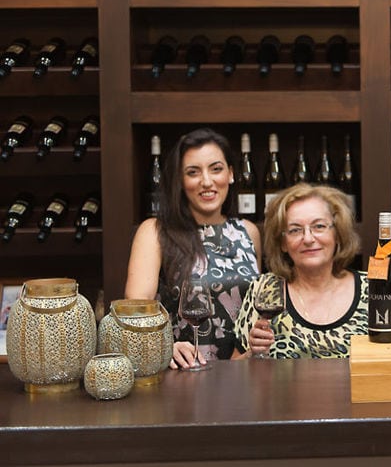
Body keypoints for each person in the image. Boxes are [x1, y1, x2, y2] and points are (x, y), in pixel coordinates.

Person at [125, 128, 261, 369]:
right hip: (184, 373)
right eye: (193, 172)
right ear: (180, 180)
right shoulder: (155, 231)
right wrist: (165, 346)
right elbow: (136, 308)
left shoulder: (248, 232)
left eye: (216, 169)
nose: (207, 181)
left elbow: (254, 309)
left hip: (243, 373)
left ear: (230, 174)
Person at [233, 183, 367, 359]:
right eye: (295, 230)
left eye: (319, 226)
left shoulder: (372, 289)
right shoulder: (265, 289)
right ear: (282, 243)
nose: (308, 239)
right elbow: (233, 369)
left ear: (337, 233)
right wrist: (254, 353)